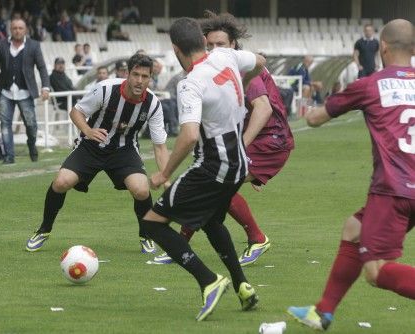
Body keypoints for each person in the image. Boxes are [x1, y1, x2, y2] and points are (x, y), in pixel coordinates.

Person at [288, 19, 415, 331]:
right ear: (413, 51)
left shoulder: (370, 85)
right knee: (353, 228)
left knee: (376, 271)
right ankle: (324, 311)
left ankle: (323, 311)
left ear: (382, 47)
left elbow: (316, 118)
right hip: (406, 189)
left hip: (393, 189)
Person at [140, 17, 265, 321]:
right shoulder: (225, 56)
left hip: (214, 166)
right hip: (239, 165)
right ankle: (243, 286)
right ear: (202, 40)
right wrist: (243, 85)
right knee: (210, 221)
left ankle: (208, 280)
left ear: (175, 49)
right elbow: (260, 61)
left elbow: (189, 135)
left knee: (152, 224)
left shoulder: (190, 83)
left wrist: (164, 173)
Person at [153, 11, 294, 266]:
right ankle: (184, 242)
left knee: (217, 183)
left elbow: (263, 109)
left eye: (221, 45)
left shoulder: (236, 66)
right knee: (216, 185)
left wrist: (239, 149)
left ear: (233, 46)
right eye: (211, 45)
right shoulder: (217, 67)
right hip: (253, 140)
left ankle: (256, 238)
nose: (215, 49)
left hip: (270, 139)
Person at [25, 53, 170, 255]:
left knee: (141, 190)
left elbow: (160, 146)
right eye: (135, 75)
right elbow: (76, 112)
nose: (139, 81)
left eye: (144, 76)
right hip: (91, 146)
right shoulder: (105, 89)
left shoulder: (153, 104)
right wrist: (88, 131)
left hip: (124, 150)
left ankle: (145, 235)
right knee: (61, 182)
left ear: (151, 77)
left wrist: (165, 177)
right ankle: (44, 229)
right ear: (127, 74)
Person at [0, 18, 50, 164]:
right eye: (15, 28)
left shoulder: (34, 45)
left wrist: (45, 87)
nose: (17, 31)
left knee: (31, 125)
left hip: (26, 92)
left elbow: (42, 67)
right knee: (5, 124)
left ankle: (31, 145)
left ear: (25, 29)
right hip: (6, 91)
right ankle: (9, 156)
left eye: (20, 28)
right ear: (10, 30)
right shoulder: (1, 45)